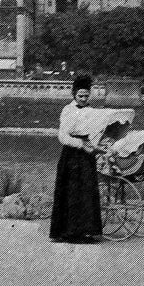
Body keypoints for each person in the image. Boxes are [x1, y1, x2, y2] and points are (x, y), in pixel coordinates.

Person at [50, 73, 104, 243]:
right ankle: (69, 232)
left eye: (86, 96)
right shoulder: (68, 110)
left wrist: (96, 146)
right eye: (80, 96)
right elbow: (62, 136)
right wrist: (81, 144)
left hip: (87, 156)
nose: (83, 99)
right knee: (71, 192)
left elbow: (93, 133)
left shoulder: (91, 111)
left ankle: (86, 232)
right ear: (74, 94)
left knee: (87, 191)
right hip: (72, 155)